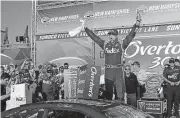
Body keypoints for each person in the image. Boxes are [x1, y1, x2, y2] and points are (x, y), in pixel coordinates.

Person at [82, 12, 141, 100]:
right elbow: (94, 37)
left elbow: (131, 35)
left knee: (119, 94)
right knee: (108, 94)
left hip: (118, 71)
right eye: (109, 34)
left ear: (116, 36)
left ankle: (120, 107)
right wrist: (86, 29)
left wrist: (137, 24)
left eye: (112, 35)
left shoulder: (122, 44)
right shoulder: (105, 44)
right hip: (108, 71)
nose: (110, 36)